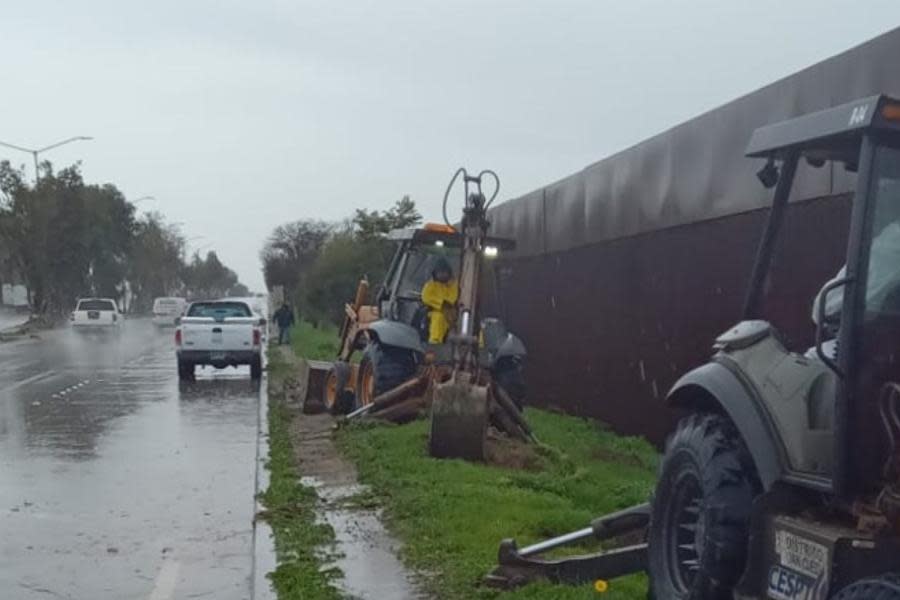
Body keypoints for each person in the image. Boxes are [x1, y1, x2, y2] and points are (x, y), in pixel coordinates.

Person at [421, 257, 459, 343]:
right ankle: (435, 343)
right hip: (434, 312)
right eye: (440, 272)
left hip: (452, 314)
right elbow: (426, 297)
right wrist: (442, 304)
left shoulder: (453, 285)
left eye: (444, 272)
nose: (442, 274)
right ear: (435, 273)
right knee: (438, 318)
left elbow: (453, 298)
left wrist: (448, 306)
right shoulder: (430, 285)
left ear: (449, 273)